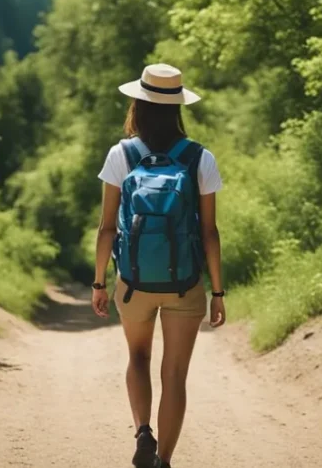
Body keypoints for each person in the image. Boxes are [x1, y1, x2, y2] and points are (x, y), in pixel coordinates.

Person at [91, 63, 226, 468]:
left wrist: (100, 282)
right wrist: (217, 292)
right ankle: (164, 462)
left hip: (133, 282)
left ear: (138, 103)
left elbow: (106, 228)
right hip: (185, 284)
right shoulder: (200, 159)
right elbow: (209, 233)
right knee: (175, 375)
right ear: (178, 106)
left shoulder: (122, 153)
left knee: (137, 358)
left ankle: (143, 433)